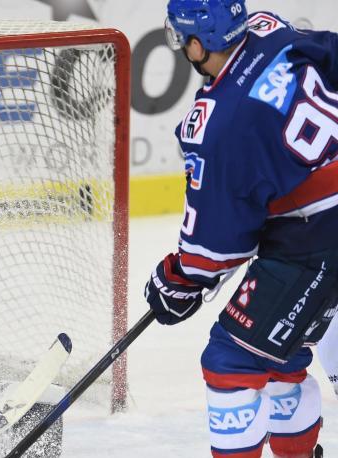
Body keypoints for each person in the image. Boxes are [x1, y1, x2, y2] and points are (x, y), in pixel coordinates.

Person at [145, 2, 338, 457]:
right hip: (319, 226)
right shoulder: (271, 29)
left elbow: (216, 246)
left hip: (317, 236)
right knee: (279, 352)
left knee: (231, 362)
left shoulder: (217, 124)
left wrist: (178, 278)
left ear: (196, 44)